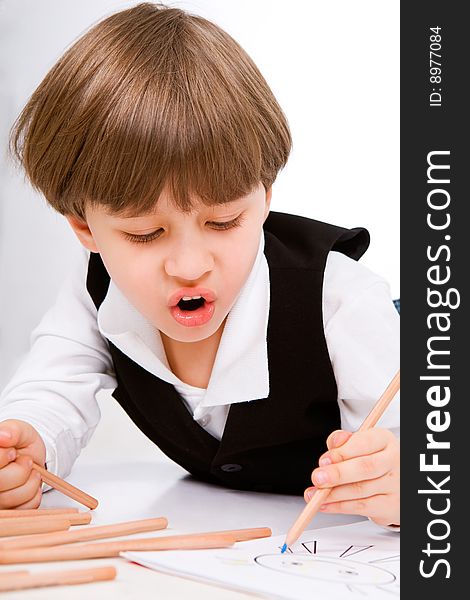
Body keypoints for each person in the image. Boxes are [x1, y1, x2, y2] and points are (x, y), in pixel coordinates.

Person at [0, 2, 399, 527]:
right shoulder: (97, 287)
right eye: (146, 234)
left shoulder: (341, 298)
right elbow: (53, 386)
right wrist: (30, 443)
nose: (189, 266)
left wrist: (411, 481)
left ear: (265, 197)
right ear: (84, 229)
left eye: (224, 222)